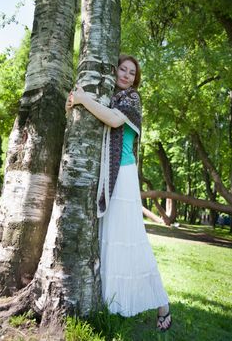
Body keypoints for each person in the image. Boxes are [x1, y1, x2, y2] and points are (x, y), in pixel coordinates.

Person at [65, 54, 172, 332]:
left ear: (135, 78)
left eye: (131, 72)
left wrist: (82, 99)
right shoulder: (109, 95)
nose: (125, 75)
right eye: (122, 70)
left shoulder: (131, 99)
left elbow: (113, 121)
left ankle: (162, 302)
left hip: (123, 176)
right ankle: (114, 301)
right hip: (108, 176)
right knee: (110, 238)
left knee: (132, 239)